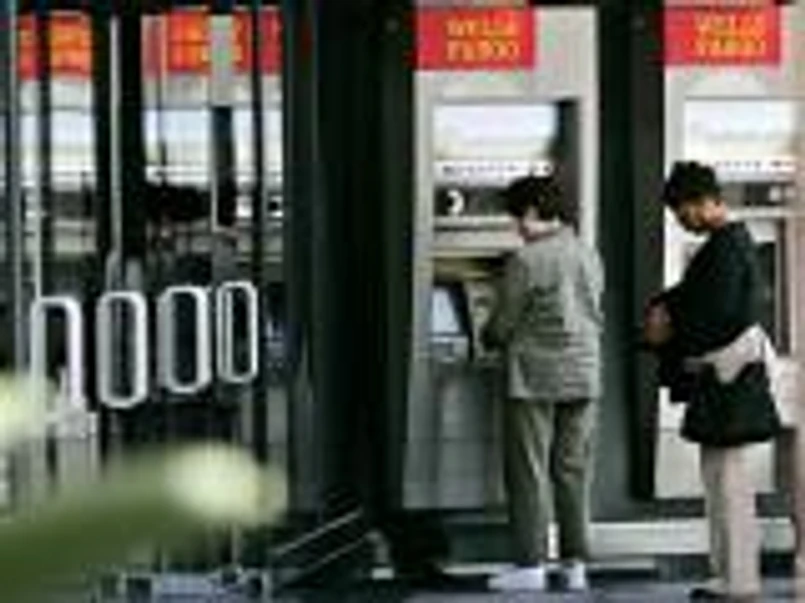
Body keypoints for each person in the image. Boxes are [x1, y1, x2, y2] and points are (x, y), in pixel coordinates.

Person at [643, 161, 775, 600]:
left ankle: (737, 580)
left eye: (681, 212)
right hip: (729, 371)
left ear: (701, 202)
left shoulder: (725, 248)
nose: (681, 221)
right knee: (722, 478)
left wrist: (670, 329)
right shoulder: (730, 243)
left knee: (727, 482)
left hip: (727, 374)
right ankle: (730, 576)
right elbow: (699, 301)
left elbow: (715, 316)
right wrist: (665, 306)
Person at [482, 174, 604, 592]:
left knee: (529, 470)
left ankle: (530, 564)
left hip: (535, 377)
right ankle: (575, 565)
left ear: (533, 211)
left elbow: (502, 325)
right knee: (573, 471)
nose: (515, 226)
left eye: (517, 217)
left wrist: (487, 335)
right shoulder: (588, 253)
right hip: (584, 373)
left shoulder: (525, 260)